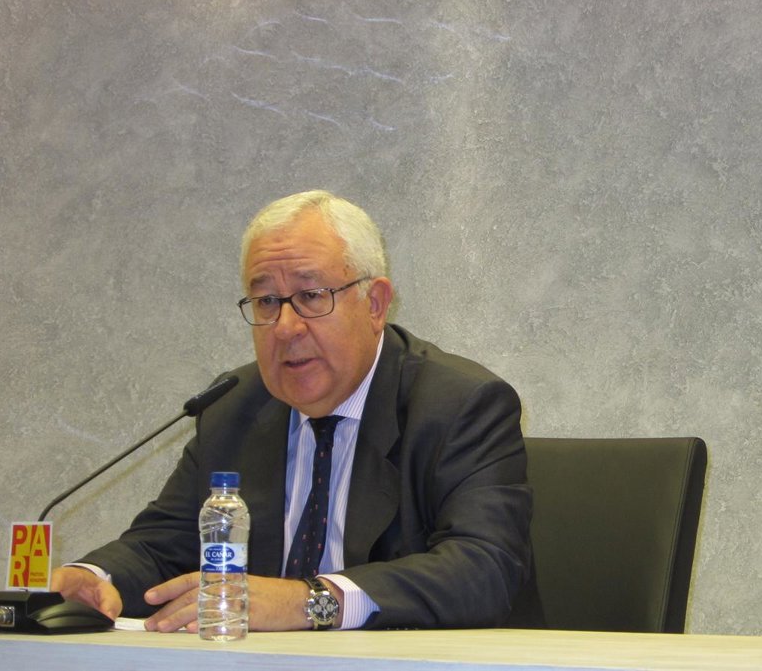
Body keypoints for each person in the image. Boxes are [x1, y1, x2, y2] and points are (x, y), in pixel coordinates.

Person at [51, 190, 536, 631]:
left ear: (375, 304)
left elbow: (483, 569)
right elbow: (163, 546)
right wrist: (94, 576)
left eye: (311, 296)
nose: (285, 327)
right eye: (267, 301)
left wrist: (309, 601)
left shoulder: (460, 406)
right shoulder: (234, 406)